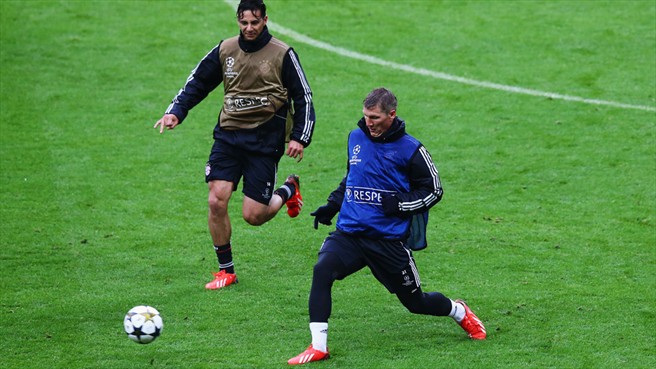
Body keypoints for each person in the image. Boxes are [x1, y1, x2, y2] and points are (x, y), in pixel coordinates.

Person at [287, 88, 486, 365]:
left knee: (416, 303)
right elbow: (352, 177)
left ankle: (459, 311)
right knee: (322, 270)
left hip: (387, 242)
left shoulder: (411, 150)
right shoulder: (355, 137)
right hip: (350, 234)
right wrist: (332, 205)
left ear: (392, 115)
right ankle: (319, 346)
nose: (369, 123)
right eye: (366, 116)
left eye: (375, 117)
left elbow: (434, 190)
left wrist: (401, 205)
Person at [154, 0, 315, 290]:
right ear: (238, 21)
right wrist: (175, 111)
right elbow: (198, 82)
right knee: (216, 199)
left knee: (254, 216)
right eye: (244, 23)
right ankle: (225, 271)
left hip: (264, 142)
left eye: (255, 22)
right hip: (228, 136)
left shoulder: (283, 54)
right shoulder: (226, 49)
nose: (249, 28)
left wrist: (299, 137)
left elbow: (303, 96)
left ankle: (289, 188)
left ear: (265, 20)